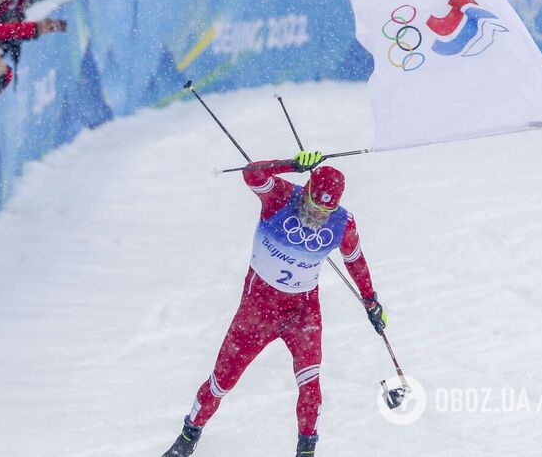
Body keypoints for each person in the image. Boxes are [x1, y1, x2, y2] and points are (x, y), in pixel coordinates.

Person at [162, 152, 387, 457]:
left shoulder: (342, 223)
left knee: (310, 384)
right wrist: (291, 165)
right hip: (257, 311)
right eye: (314, 205)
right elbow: (251, 174)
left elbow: (355, 260)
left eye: (326, 210)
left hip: (303, 313)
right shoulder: (281, 196)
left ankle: (306, 452)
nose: (318, 214)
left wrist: (371, 301)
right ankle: (188, 437)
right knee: (222, 382)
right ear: (306, 190)